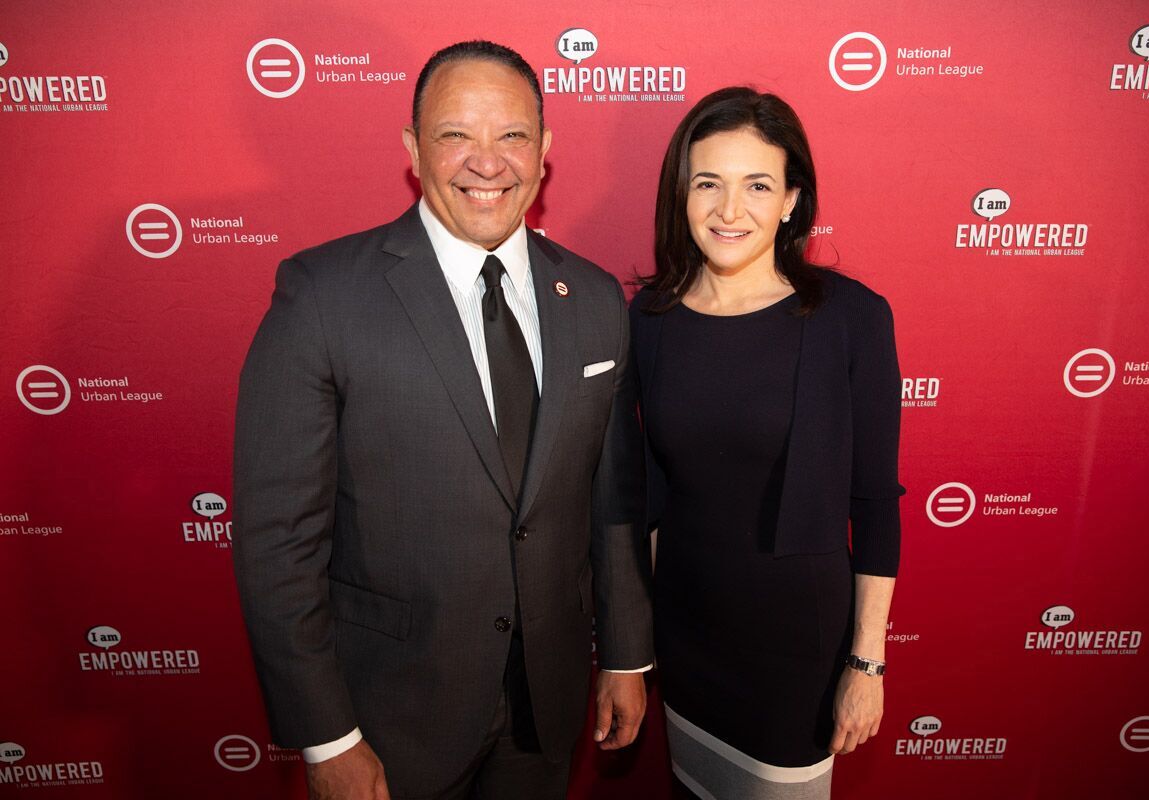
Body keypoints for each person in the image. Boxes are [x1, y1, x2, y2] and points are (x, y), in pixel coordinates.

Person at [232, 40, 653, 800]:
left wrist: (623, 656)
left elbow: (612, 496)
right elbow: (276, 541)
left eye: (512, 135)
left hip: (546, 707)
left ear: (546, 149)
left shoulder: (593, 299)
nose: (486, 163)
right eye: (456, 133)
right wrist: (328, 736)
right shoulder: (322, 296)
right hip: (389, 716)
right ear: (412, 148)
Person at [629, 87, 903, 799]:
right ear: (681, 194)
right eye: (708, 184)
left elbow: (874, 505)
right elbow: (648, 494)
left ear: (790, 200)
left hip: (797, 654)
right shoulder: (650, 320)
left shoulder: (850, 319)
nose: (729, 210)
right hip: (686, 637)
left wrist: (865, 664)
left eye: (757, 185)